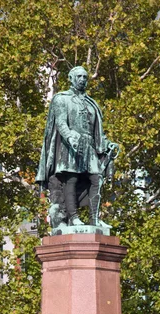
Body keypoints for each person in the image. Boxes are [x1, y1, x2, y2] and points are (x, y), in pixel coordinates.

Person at [36, 66, 119, 227]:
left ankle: (94, 219)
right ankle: (73, 217)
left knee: (97, 179)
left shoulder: (91, 103)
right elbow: (60, 123)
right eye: (79, 76)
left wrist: (107, 144)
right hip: (70, 145)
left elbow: (98, 132)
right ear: (71, 78)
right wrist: (70, 137)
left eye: (85, 77)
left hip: (89, 146)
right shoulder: (61, 99)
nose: (82, 79)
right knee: (71, 179)